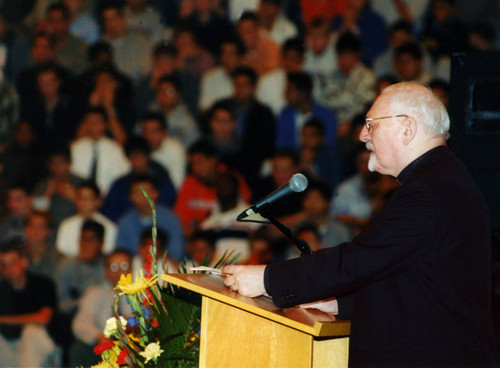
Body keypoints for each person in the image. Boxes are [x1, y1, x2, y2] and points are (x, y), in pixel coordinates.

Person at [222, 82, 499, 366]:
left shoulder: (426, 190)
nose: (362, 134)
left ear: (406, 128)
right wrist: (340, 304)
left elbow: (357, 260)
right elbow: (410, 279)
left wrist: (266, 278)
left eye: (371, 124)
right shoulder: (441, 178)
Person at [0, 240, 59, 367]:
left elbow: (43, 318)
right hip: (12, 349)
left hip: (42, 348)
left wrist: (3, 319)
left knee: (31, 331)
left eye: (13, 263)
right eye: (3, 265)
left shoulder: (43, 284)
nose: (8, 269)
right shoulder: (2, 289)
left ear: (24, 262)